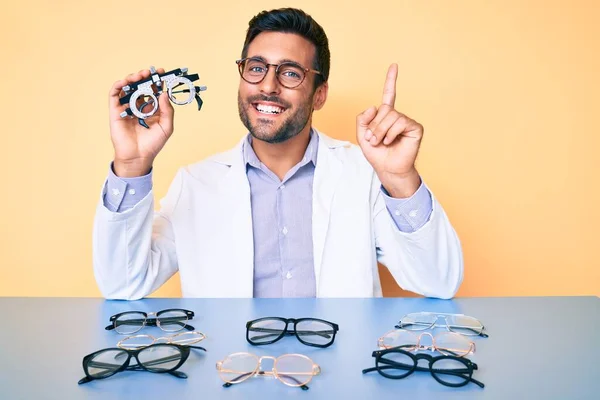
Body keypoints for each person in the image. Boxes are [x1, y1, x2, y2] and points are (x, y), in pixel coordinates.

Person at [93, 7, 463, 300]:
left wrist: (400, 180)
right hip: (231, 383)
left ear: (319, 94)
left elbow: (440, 281)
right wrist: (132, 164)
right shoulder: (195, 184)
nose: (267, 86)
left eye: (290, 73)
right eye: (256, 68)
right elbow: (122, 283)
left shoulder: (363, 175)